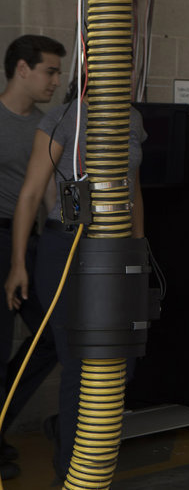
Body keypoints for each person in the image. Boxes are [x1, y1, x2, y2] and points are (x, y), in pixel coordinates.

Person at [5, 77, 146, 482]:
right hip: (66, 247)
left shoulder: (132, 120)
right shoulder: (64, 119)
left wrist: (139, 250)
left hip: (117, 251)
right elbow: (31, 194)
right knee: (79, 363)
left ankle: (65, 431)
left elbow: (133, 189)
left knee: (123, 364)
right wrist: (18, 263)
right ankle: (71, 471)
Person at [0, 35, 66, 480]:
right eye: (49, 71)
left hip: (32, 243)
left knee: (51, 337)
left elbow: (47, 197)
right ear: (21, 69)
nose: (56, 81)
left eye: (60, 73)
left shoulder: (49, 126)